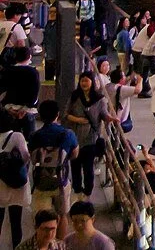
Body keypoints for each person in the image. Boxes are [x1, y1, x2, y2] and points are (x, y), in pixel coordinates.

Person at [29, 101, 78, 238]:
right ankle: (60, 245)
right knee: (62, 216)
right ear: (57, 115)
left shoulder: (35, 136)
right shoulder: (67, 134)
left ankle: (44, 245)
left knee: (42, 219)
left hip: (41, 182)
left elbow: (32, 157)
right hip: (61, 182)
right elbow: (75, 154)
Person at [63, 74, 108, 198]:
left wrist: (111, 119)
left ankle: (87, 191)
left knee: (88, 168)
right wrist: (77, 119)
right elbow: (66, 114)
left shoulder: (99, 99)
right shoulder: (74, 96)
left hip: (91, 137)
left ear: (92, 82)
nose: (84, 83)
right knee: (75, 166)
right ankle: (77, 190)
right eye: (82, 81)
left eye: (86, 81)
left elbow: (104, 114)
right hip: (75, 137)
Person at [0, 47, 41, 137]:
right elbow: (34, 94)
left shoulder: (7, 71)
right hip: (27, 112)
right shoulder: (33, 72)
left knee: (11, 139)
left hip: (10, 110)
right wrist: (25, 109)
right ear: (29, 57)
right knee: (29, 140)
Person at [0, 125, 30, 247]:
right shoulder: (17, 136)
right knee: (16, 222)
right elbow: (26, 157)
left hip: (0, 185)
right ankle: (16, 246)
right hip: (16, 186)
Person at [106, 69, 142, 134]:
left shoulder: (108, 86)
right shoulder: (122, 90)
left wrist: (132, 75)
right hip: (119, 119)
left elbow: (123, 82)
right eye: (124, 76)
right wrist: (140, 80)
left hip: (109, 117)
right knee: (118, 137)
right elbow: (138, 90)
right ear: (120, 79)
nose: (125, 77)